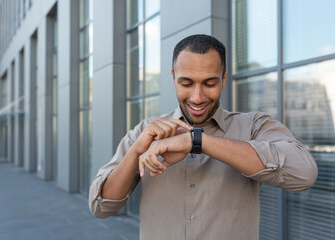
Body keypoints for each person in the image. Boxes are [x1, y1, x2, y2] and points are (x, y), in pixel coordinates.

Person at [89, 34, 318, 240]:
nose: (197, 97)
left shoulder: (254, 126)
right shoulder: (145, 131)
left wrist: (195, 141)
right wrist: (136, 151)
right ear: (173, 77)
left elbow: (304, 174)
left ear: (224, 78)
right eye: (186, 83)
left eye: (209, 83)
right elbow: (101, 207)